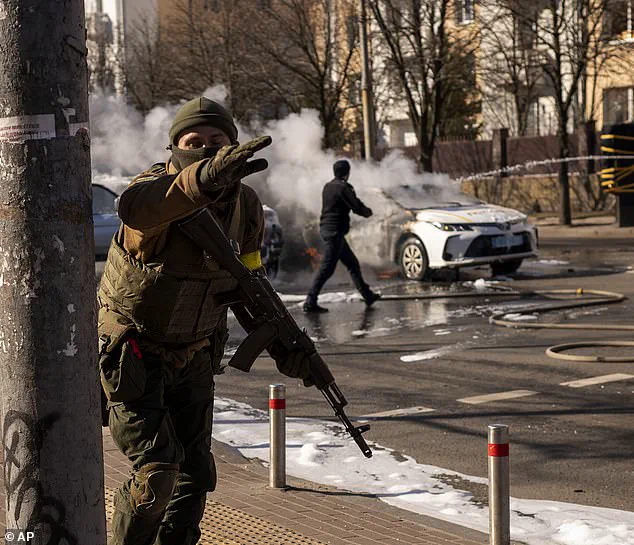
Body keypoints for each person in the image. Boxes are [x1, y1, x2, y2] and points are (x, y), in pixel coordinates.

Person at [97, 96, 312, 545]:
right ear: (175, 148)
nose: (208, 149)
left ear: (234, 145)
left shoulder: (247, 206)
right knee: (158, 474)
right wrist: (202, 179)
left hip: (194, 353)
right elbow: (136, 210)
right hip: (135, 354)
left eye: (218, 141)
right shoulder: (155, 190)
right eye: (195, 142)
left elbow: (250, 283)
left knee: (195, 475)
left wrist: (286, 347)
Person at [303, 159, 381, 313]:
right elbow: (356, 206)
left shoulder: (328, 186)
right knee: (327, 269)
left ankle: (368, 295)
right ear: (347, 172)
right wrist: (368, 212)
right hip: (334, 233)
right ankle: (310, 301)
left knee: (352, 264)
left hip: (329, 230)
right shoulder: (343, 187)